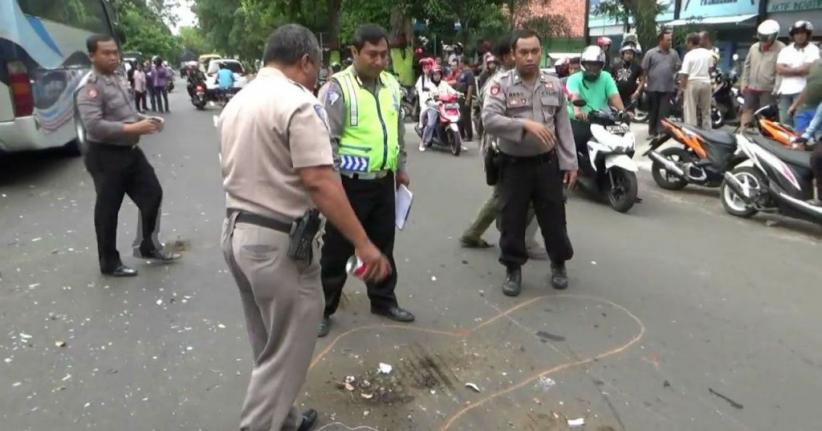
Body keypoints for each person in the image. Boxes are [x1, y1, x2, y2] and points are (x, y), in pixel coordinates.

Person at [219, 24, 392, 431]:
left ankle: (286, 419)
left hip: (237, 234)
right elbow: (319, 180)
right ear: (305, 61)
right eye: (315, 67)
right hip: (278, 244)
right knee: (287, 353)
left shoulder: (238, 101)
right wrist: (363, 243)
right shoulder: (297, 103)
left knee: (268, 342)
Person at [317, 24, 415, 337]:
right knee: (337, 249)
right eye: (372, 54)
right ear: (354, 53)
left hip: (383, 182)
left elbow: (396, 130)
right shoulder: (337, 88)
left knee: (383, 243)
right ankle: (323, 308)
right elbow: (326, 139)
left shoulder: (390, 85)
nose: (379, 61)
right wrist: (330, 183)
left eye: (384, 54)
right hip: (348, 185)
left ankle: (383, 300)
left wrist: (400, 167)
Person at [74, 34, 179, 277]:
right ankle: (109, 262)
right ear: (92, 55)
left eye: (114, 52)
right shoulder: (90, 86)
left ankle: (147, 245)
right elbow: (94, 125)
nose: (112, 57)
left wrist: (146, 121)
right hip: (105, 155)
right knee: (108, 209)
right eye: (106, 53)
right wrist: (134, 129)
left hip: (130, 151)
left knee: (153, 194)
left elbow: (128, 112)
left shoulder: (118, 78)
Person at [482, 29, 577, 297]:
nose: (530, 57)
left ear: (541, 52)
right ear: (513, 54)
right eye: (523, 52)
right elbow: (488, 120)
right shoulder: (501, 85)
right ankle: (513, 269)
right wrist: (523, 124)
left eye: (535, 51)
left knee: (554, 218)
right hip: (513, 165)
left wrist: (569, 163)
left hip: (547, 164)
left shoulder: (553, 85)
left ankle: (559, 263)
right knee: (512, 220)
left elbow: (563, 126)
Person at [567, 46, 626, 155]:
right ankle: (574, 169)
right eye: (589, 64)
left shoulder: (606, 77)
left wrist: (623, 113)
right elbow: (575, 96)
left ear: (601, 65)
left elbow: (614, 97)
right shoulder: (574, 79)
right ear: (583, 63)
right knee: (572, 148)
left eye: (596, 64)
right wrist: (578, 112)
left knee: (623, 140)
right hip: (580, 122)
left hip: (603, 121)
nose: (592, 68)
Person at [740, 20, 785, 128]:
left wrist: (777, 87)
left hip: (768, 89)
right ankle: (743, 134)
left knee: (765, 116)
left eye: (766, 38)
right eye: (761, 37)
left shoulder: (781, 49)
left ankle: (763, 139)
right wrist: (744, 82)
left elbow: (781, 71)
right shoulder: (754, 47)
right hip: (751, 87)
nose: (763, 40)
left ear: (774, 36)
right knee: (747, 111)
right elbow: (747, 66)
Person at [776, 21, 818, 127]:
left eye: (803, 33)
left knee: (800, 121)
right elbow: (780, 69)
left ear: (808, 35)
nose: (799, 36)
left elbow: (808, 69)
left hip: (802, 91)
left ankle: (799, 143)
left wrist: (788, 69)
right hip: (784, 91)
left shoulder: (813, 50)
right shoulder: (786, 50)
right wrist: (798, 69)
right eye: (797, 33)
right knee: (785, 122)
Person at [642, 30, 681, 137]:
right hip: (653, 87)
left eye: (671, 40)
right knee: (653, 111)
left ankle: (661, 132)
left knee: (663, 112)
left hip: (668, 87)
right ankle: (652, 131)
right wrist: (643, 84)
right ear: (661, 41)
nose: (670, 42)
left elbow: (678, 67)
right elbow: (644, 70)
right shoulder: (651, 53)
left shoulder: (674, 53)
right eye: (668, 40)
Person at [418, 65, 458, 151]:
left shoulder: (444, 83)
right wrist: (433, 103)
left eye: (438, 74)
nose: (437, 76)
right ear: (432, 75)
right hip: (433, 106)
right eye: (435, 74)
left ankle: (459, 142)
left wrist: (457, 93)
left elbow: (451, 91)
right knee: (431, 124)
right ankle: (422, 142)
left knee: (456, 119)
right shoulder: (429, 85)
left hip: (445, 106)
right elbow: (426, 97)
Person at [679, 32, 714, 129]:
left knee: (690, 111)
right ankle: (708, 133)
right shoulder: (708, 54)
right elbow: (710, 70)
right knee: (706, 111)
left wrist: (682, 89)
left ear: (690, 42)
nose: (687, 45)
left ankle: (692, 132)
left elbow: (685, 74)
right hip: (706, 82)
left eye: (687, 42)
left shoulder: (689, 55)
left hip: (692, 83)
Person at [453, 56, 476, 142]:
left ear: (463, 63)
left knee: (466, 117)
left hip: (465, 97)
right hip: (460, 98)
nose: (459, 65)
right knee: (460, 116)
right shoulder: (462, 73)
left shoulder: (469, 73)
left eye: (460, 63)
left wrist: (468, 99)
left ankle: (469, 135)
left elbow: (470, 86)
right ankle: (461, 134)